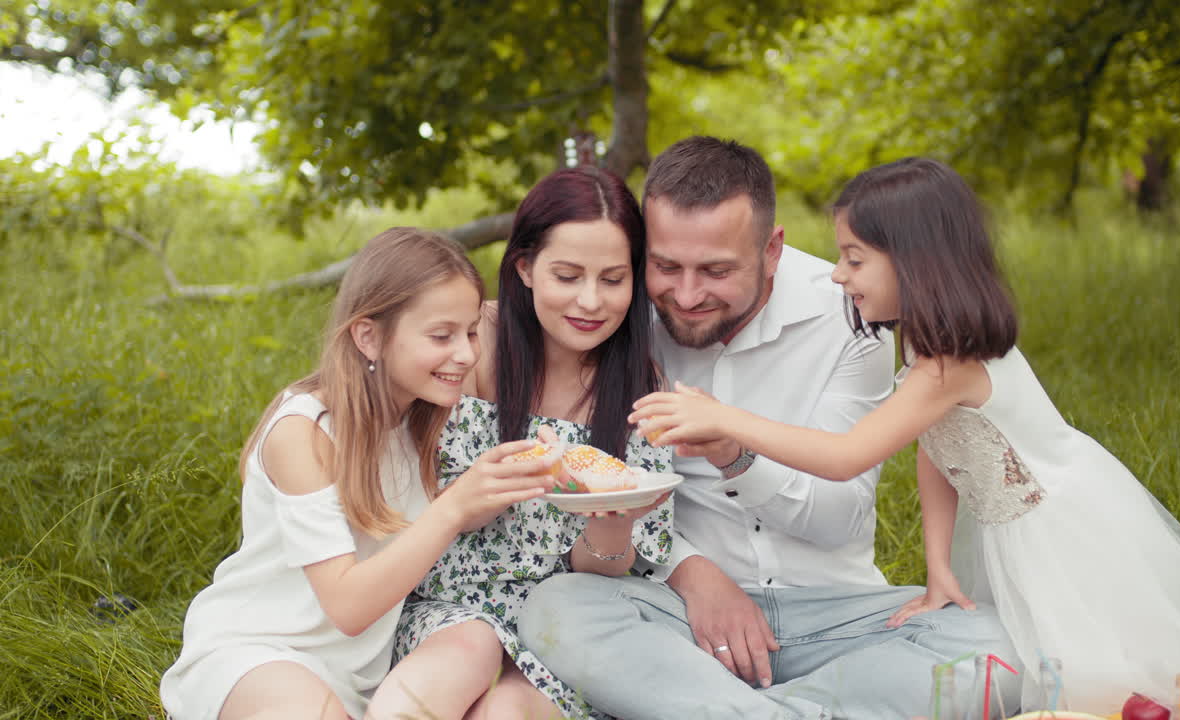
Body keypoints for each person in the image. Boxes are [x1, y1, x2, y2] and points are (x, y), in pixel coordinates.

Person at [628, 157, 1180, 714]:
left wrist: (725, 419)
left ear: (912, 262)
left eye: (855, 259)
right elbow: (939, 456)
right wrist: (936, 568)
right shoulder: (925, 350)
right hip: (1013, 525)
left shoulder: (949, 365)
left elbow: (846, 457)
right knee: (1040, 661)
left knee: (1095, 667)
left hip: (1058, 525)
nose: (838, 276)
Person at [520, 138, 1020, 720]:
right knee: (557, 606)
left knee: (1001, 644)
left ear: (772, 250)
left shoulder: (849, 314)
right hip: (677, 615)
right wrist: (691, 572)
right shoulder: (618, 311)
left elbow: (837, 519)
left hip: (836, 612)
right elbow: (613, 484)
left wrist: (737, 455)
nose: (684, 295)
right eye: (664, 266)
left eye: (716, 270)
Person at [159, 228, 561, 720]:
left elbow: (420, 516)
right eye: (442, 336)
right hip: (262, 653)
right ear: (369, 336)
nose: (467, 354)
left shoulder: (424, 412)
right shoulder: (304, 432)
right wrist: (455, 509)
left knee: (472, 647)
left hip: (365, 671)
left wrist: (501, 482)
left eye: (471, 332)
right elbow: (347, 607)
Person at [391, 167, 674, 720]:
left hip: (567, 619)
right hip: (452, 605)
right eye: (567, 276)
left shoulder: (641, 385)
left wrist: (612, 524)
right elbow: (402, 490)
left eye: (613, 280)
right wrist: (482, 491)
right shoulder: (470, 345)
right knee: (460, 658)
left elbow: (605, 567)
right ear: (524, 267)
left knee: (508, 712)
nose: (590, 301)